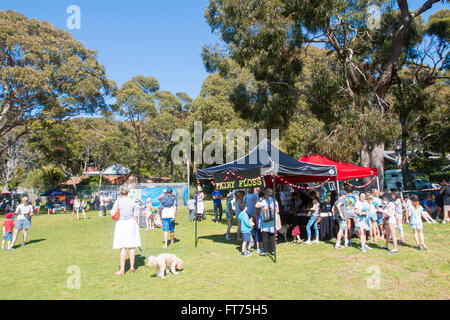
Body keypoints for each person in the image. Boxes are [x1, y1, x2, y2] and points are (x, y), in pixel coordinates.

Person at [110, 186, 141, 276]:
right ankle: (132, 267)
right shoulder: (132, 202)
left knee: (123, 247)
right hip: (131, 223)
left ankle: (122, 269)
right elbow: (136, 215)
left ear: (120, 193)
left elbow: (112, 212)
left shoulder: (118, 201)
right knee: (132, 246)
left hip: (121, 224)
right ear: (128, 193)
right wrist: (137, 226)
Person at [255, 188, 279, 256]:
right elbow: (277, 211)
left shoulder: (264, 201)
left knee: (264, 236)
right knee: (272, 236)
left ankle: (265, 251)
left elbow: (256, 205)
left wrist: (259, 200)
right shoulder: (275, 201)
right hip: (273, 220)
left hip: (265, 221)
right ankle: (273, 251)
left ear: (266, 194)